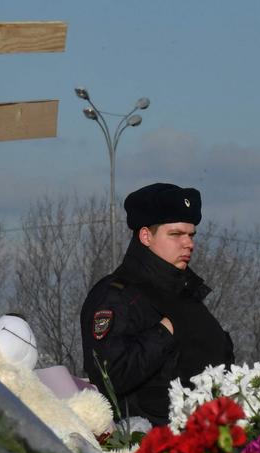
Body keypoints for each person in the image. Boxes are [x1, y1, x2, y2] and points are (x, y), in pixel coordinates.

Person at [80, 182, 234, 427]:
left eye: (191, 235)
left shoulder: (187, 297)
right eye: (176, 234)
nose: (188, 244)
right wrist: (165, 332)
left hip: (204, 439)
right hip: (145, 447)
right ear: (145, 236)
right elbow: (109, 375)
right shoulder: (115, 296)